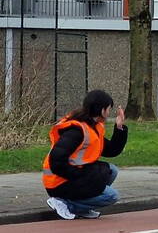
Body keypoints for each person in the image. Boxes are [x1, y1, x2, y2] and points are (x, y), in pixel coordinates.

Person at [42, 90, 127, 220]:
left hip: (73, 175)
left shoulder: (92, 127)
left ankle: (82, 206)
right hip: (59, 182)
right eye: (109, 108)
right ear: (102, 110)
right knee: (111, 196)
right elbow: (56, 161)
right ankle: (66, 204)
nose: (110, 112)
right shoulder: (77, 131)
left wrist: (119, 127)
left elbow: (111, 150)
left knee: (112, 171)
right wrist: (81, 176)